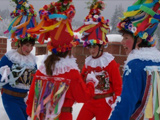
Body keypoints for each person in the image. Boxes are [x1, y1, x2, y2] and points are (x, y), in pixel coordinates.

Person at [26, 0, 99, 120]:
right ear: (69, 49)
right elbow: (83, 97)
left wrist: (30, 114)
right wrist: (91, 82)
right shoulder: (71, 72)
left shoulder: (42, 70)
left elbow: (31, 98)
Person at [109, 0, 160, 119]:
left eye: (126, 37)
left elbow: (126, 103)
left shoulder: (135, 64)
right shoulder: (157, 62)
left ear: (138, 40)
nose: (122, 42)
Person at [75, 1, 122, 120]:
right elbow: (82, 78)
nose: (91, 50)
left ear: (101, 46)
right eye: (89, 47)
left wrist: (116, 103)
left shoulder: (109, 62)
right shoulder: (88, 61)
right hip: (90, 101)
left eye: (94, 46)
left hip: (104, 103)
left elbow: (117, 85)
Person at [0, 0, 37, 120]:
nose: (30, 49)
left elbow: (34, 80)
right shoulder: (9, 58)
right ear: (20, 43)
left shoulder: (32, 60)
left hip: (25, 100)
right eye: (27, 45)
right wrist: (3, 75)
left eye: (32, 46)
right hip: (10, 99)